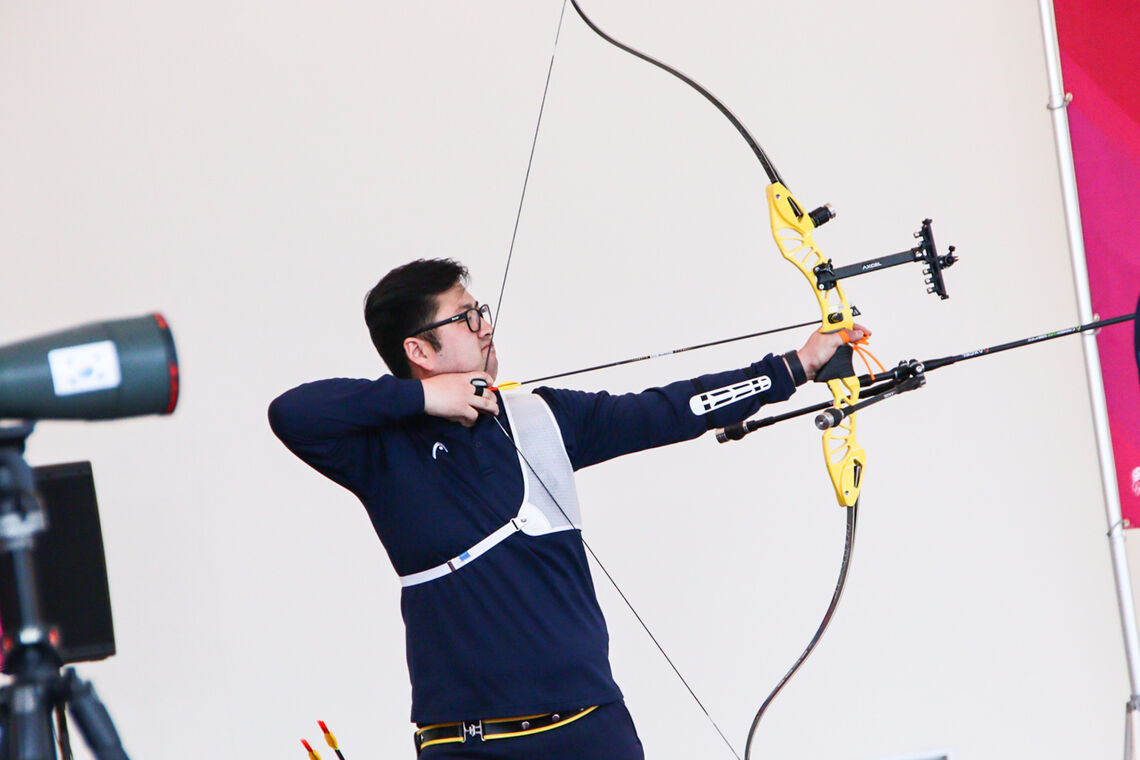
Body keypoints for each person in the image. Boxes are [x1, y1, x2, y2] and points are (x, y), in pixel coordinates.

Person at [267, 258, 866, 759]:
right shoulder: (383, 448)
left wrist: (796, 367)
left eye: (481, 312)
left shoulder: (544, 417)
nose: (483, 327)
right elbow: (291, 412)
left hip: (591, 731)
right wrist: (430, 396)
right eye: (465, 317)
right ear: (419, 349)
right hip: (466, 742)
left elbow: (671, 408)